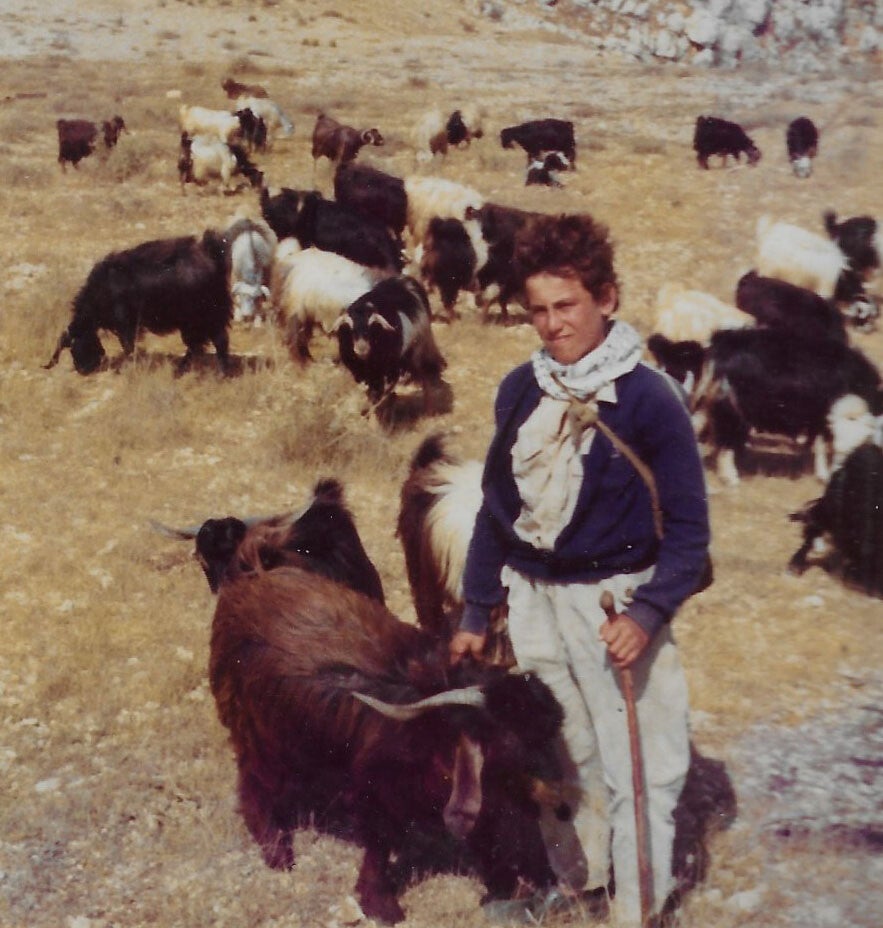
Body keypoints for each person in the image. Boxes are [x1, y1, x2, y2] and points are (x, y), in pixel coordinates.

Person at [450, 213, 710, 926]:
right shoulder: (519, 389)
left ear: (607, 299)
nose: (551, 324)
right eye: (537, 310)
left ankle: (637, 908)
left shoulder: (650, 400)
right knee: (566, 754)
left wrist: (647, 614)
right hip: (533, 602)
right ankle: (580, 884)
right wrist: (476, 608)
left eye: (566, 306)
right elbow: (496, 510)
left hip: (612, 607)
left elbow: (689, 532)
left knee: (639, 770)